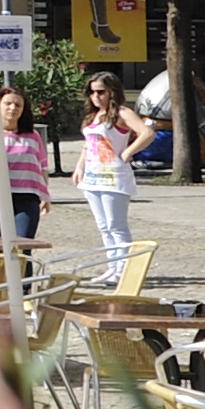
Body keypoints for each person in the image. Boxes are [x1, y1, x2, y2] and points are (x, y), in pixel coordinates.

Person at [76, 73, 142, 279]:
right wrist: (79, 167)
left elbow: (147, 133)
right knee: (104, 226)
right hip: (92, 177)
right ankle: (112, 266)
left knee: (116, 225)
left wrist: (128, 152)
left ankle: (124, 268)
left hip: (114, 176)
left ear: (112, 91)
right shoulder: (93, 116)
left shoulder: (122, 113)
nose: (96, 97)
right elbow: (88, 145)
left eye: (101, 92)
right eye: (92, 92)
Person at [0, 83, 53, 247]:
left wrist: (45, 195)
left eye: (18, 105)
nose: (12, 108)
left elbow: (42, 167)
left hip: (27, 196)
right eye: (8, 103)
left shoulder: (33, 135)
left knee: (23, 246)